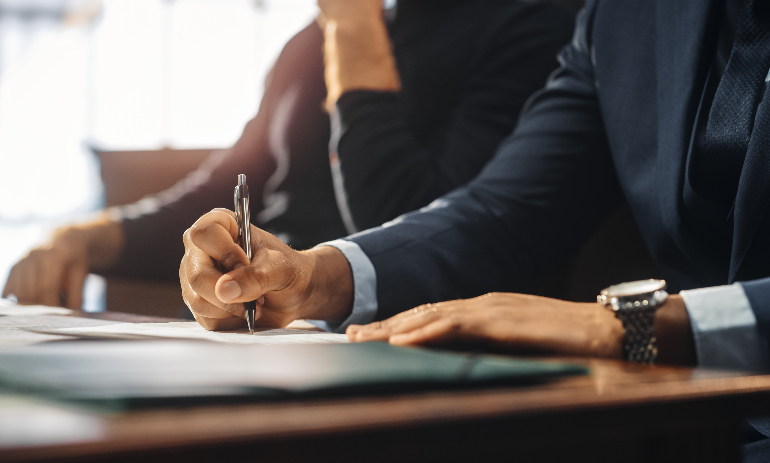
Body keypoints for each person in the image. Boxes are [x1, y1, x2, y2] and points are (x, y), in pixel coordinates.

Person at [179, 0, 770, 458]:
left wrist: (640, 326)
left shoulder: (519, 25)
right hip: (691, 426)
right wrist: (315, 277)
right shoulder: (625, 12)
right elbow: (510, 208)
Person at [2, 0, 574, 309]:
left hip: (400, 345)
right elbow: (228, 191)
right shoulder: (309, 42)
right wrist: (86, 237)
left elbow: (414, 231)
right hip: (269, 329)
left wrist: (354, 31)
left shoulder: (530, 25)